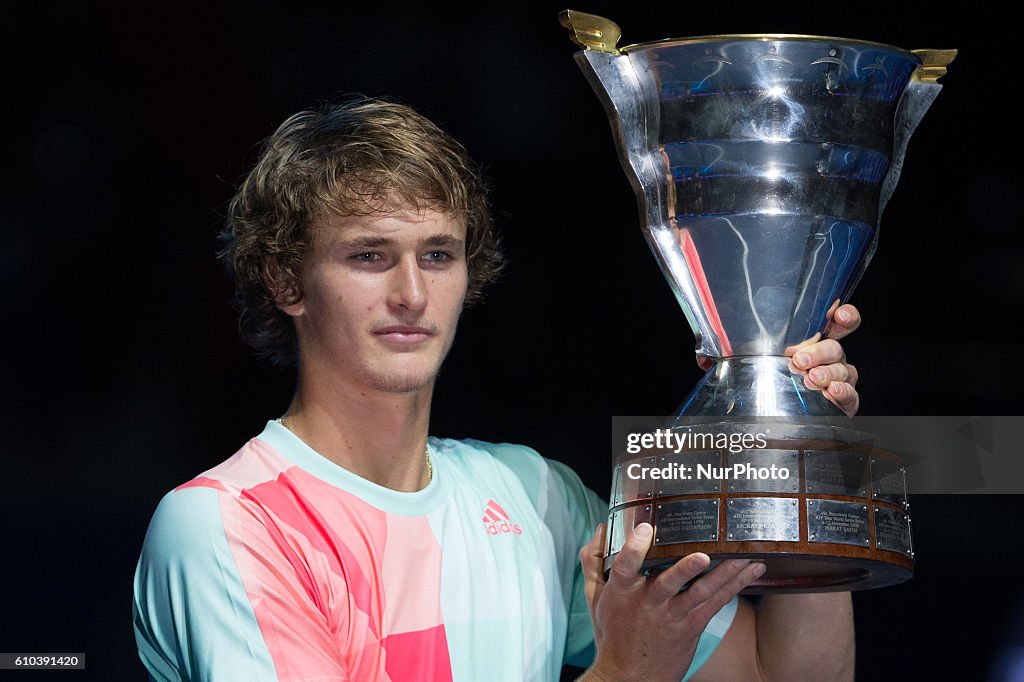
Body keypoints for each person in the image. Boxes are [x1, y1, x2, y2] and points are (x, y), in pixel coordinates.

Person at [132, 96, 860, 681]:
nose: (412, 293)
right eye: (368, 256)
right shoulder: (225, 527)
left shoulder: (532, 495)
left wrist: (804, 435)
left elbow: (782, 674)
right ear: (288, 281)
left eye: (438, 255)